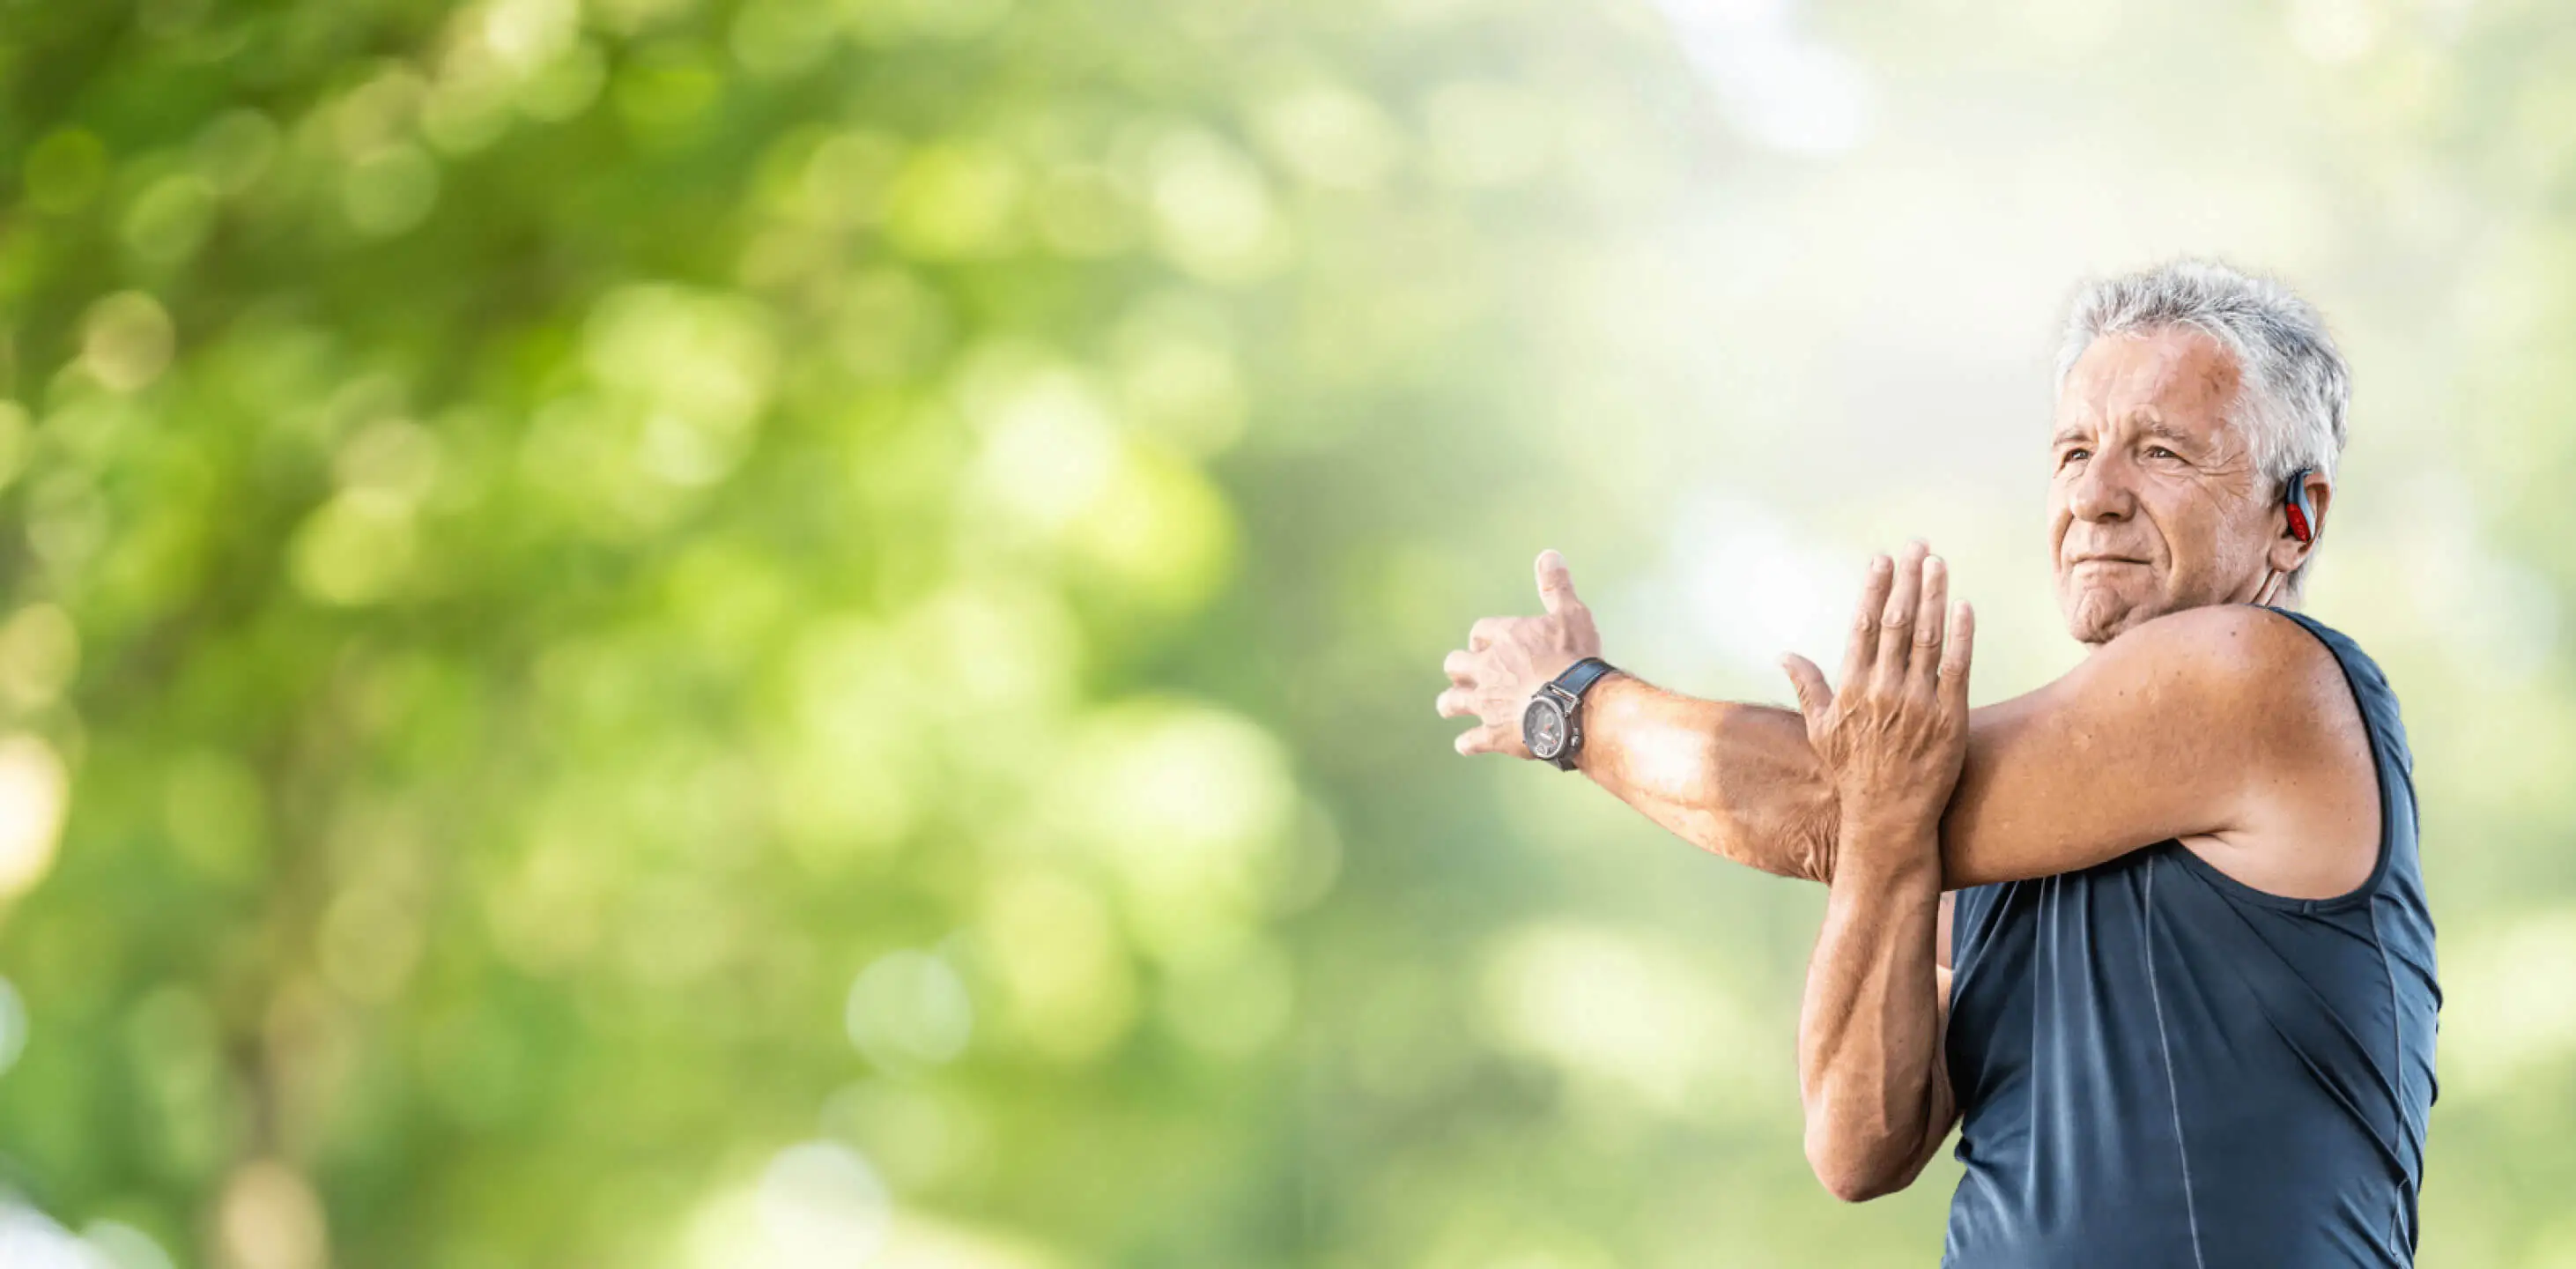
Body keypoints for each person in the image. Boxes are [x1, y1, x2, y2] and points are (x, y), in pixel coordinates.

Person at [1436, 259, 2438, 1267]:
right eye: (2072, 451)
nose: (2092, 496)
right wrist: (1880, 823)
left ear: (2292, 516)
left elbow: (1818, 802)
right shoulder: (1994, 819)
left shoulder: (2256, 673)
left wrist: (1572, 704)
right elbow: (1856, 1142)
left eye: (2160, 451)